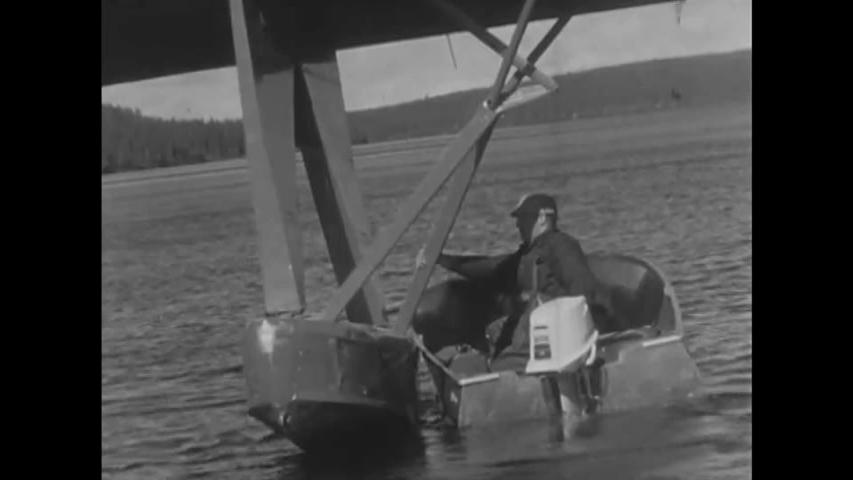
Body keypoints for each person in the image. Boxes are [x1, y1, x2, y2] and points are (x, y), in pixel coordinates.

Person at [416, 193, 606, 372]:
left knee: (503, 363)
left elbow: (583, 289)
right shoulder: (527, 254)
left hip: (555, 337)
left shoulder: (562, 246)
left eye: (523, 218)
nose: (518, 225)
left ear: (542, 219)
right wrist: (443, 260)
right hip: (531, 335)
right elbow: (491, 269)